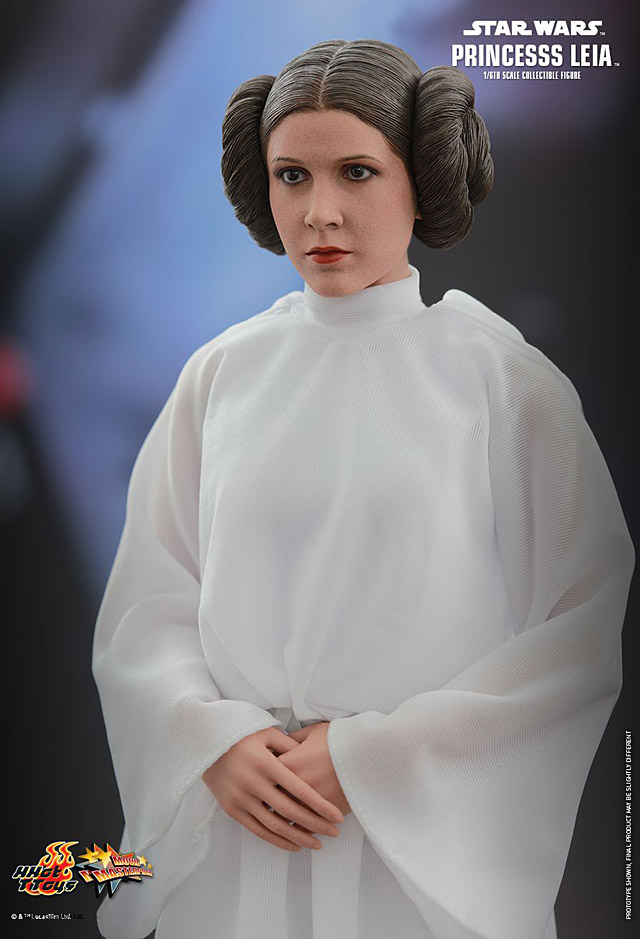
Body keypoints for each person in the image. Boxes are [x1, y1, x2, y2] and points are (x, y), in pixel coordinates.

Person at [92, 38, 635, 939]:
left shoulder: (499, 380)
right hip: (240, 834)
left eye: (356, 171)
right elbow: (147, 604)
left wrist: (371, 759)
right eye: (291, 176)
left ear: (420, 177)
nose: (320, 212)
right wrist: (208, 740)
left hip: (407, 857)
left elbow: (580, 624)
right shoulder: (221, 376)